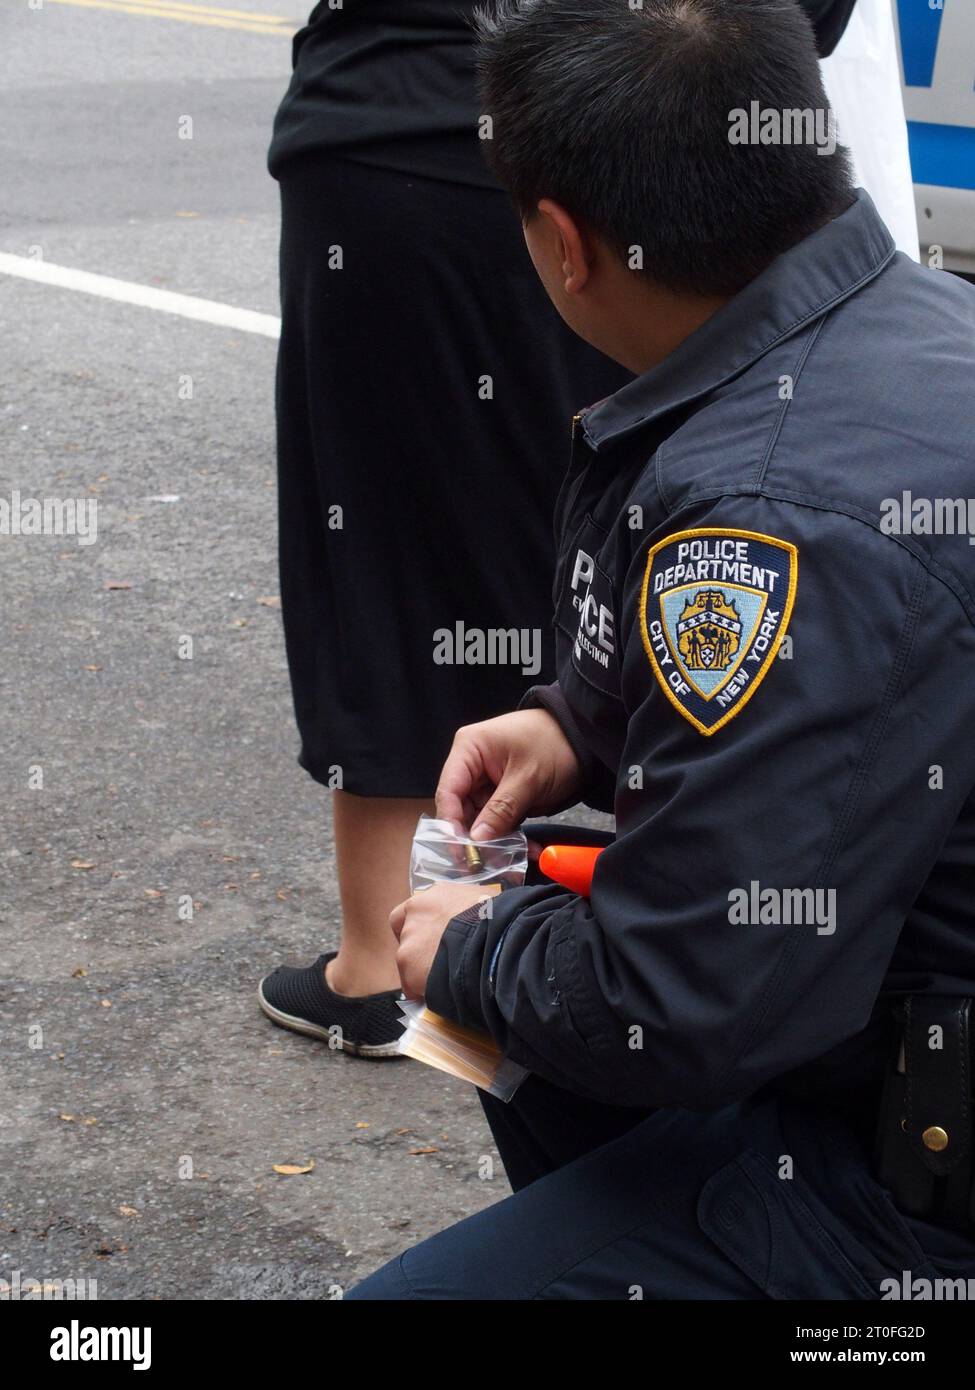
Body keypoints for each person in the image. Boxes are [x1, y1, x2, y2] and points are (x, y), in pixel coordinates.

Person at [348, 0, 975, 1299]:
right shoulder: (912, 334)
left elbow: (682, 993)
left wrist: (464, 943)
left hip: (912, 1183)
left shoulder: (761, 518)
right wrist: (578, 717)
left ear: (563, 242)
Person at [258, 0, 627, 1054]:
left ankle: (389, 965)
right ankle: (656, 945)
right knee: (625, 509)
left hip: (399, 127)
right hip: (614, 127)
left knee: (377, 535)